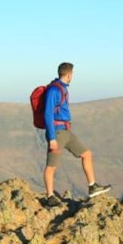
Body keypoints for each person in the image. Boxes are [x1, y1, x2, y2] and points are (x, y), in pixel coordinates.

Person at [42, 62, 111, 205]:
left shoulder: (62, 89)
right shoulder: (54, 91)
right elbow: (48, 114)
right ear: (68, 74)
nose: (72, 76)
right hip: (58, 133)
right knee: (51, 166)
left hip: (66, 132)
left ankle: (92, 187)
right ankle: (50, 197)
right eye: (72, 74)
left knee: (86, 154)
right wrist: (52, 138)